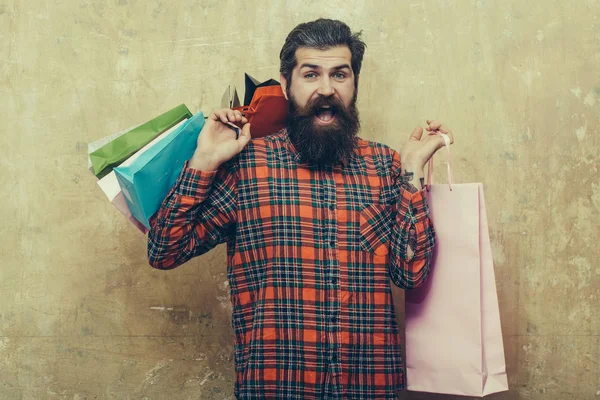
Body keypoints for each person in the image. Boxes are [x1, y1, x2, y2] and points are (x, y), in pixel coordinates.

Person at [148, 18, 454, 400]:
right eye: (311, 74)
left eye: (339, 74)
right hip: (276, 385)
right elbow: (164, 251)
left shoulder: (385, 165)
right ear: (286, 82)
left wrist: (412, 173)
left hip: (369, 387)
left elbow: (410, 275)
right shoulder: (248, 165)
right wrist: (204, 160)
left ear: (354, 82)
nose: (326, 89)